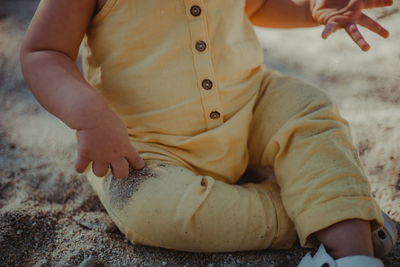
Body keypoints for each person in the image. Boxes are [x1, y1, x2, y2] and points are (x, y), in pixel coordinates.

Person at [20, 0, 397, 266]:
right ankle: (335, 209)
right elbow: (44, 50)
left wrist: (308, 9)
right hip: (141, 147)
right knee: (149, 211)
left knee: (309, 111)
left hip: (248, 104)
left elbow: (257, 4)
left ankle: (353, 255)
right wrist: (90, 115)